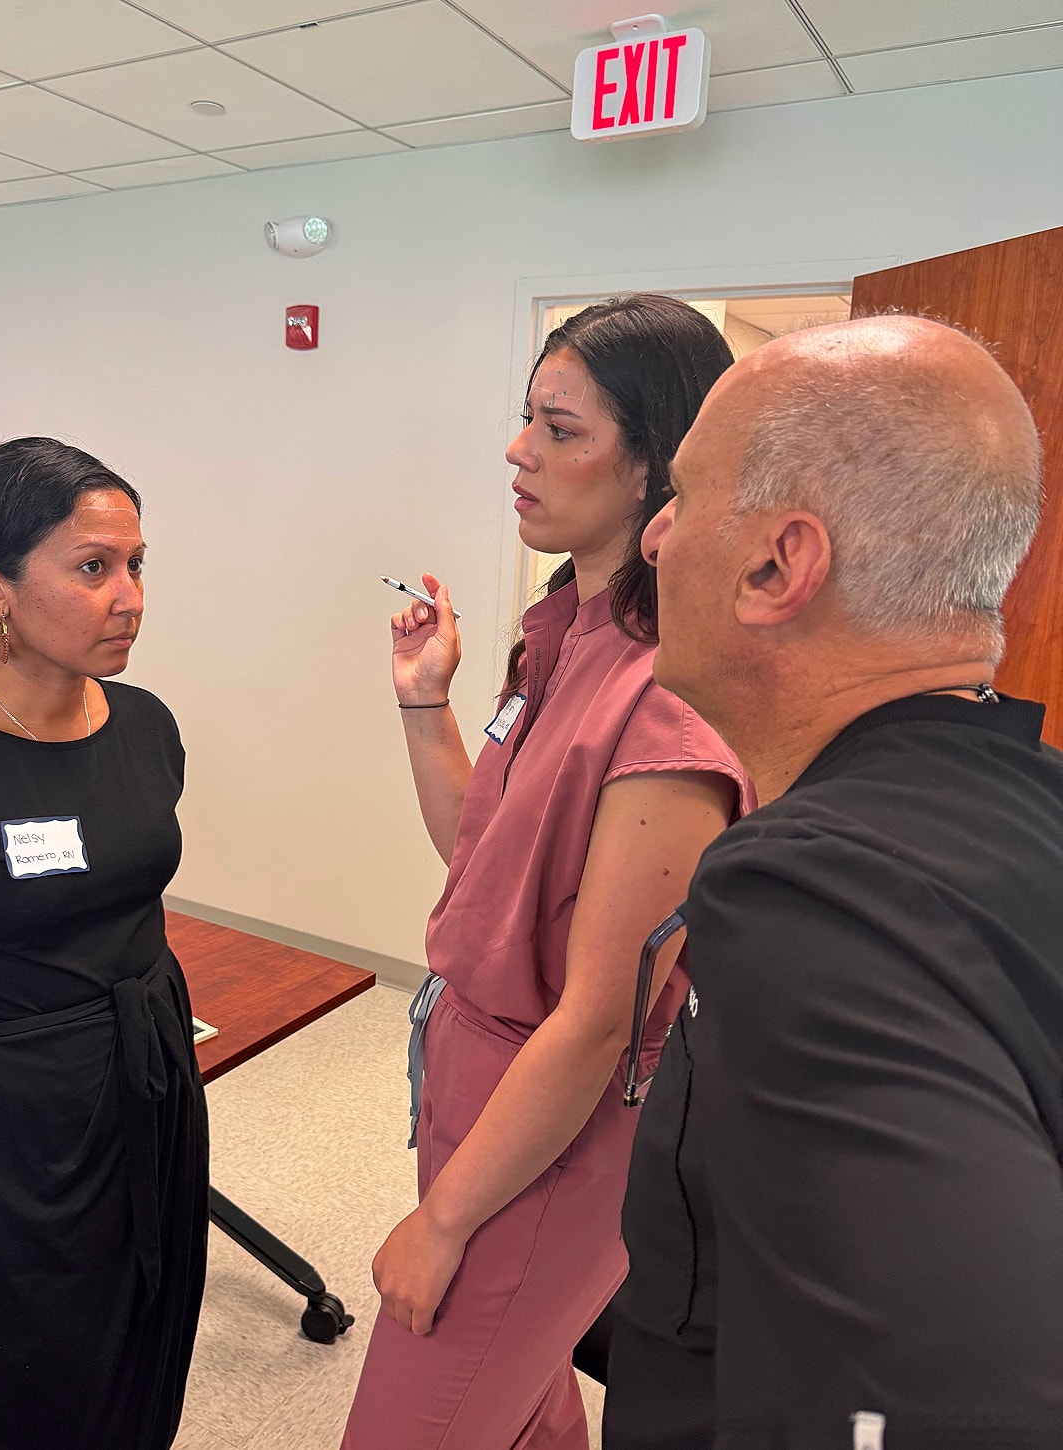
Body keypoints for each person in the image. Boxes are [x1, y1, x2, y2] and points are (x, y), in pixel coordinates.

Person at [607, 315, 1063, 1449]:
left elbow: (940, 1408)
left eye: (685, 494)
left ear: (776, 564)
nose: (657, 537)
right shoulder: (1031, 799)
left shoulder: (815, 896)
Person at [341, 295, 751, 1450]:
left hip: (553, 1119)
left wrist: (444, 1220)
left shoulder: (670, 690)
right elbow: (486, 858)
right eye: (525, 418)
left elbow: (592, 1019)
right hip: (476, 1077)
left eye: (560, 429)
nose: (518, 451)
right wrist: (425, 700)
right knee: (521, 1412)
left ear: (653, 468)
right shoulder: (560, 627)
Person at [0, 438, 209, 1450]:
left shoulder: (147, 725)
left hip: (150, 1088)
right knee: (41, 1403)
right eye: (92, 567)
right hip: (3, 1131)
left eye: (137, 564)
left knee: (151, 1356)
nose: (129, 596)